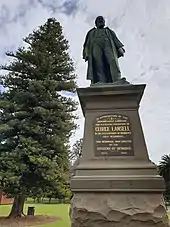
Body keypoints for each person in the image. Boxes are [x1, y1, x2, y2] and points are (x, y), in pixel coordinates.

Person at [83, 16, 125, 84]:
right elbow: (87, 44)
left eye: (102, 19)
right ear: (96, 23)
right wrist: (86, 53)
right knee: (98, 63)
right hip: (95, 45)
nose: (101, 20)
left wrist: (119, 47)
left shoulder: (109, 31)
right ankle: (101, 81)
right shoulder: (91, 32)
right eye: (99, 20)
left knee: (112, 60)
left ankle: (117, 79)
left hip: (107, 45)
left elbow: (115, 39)